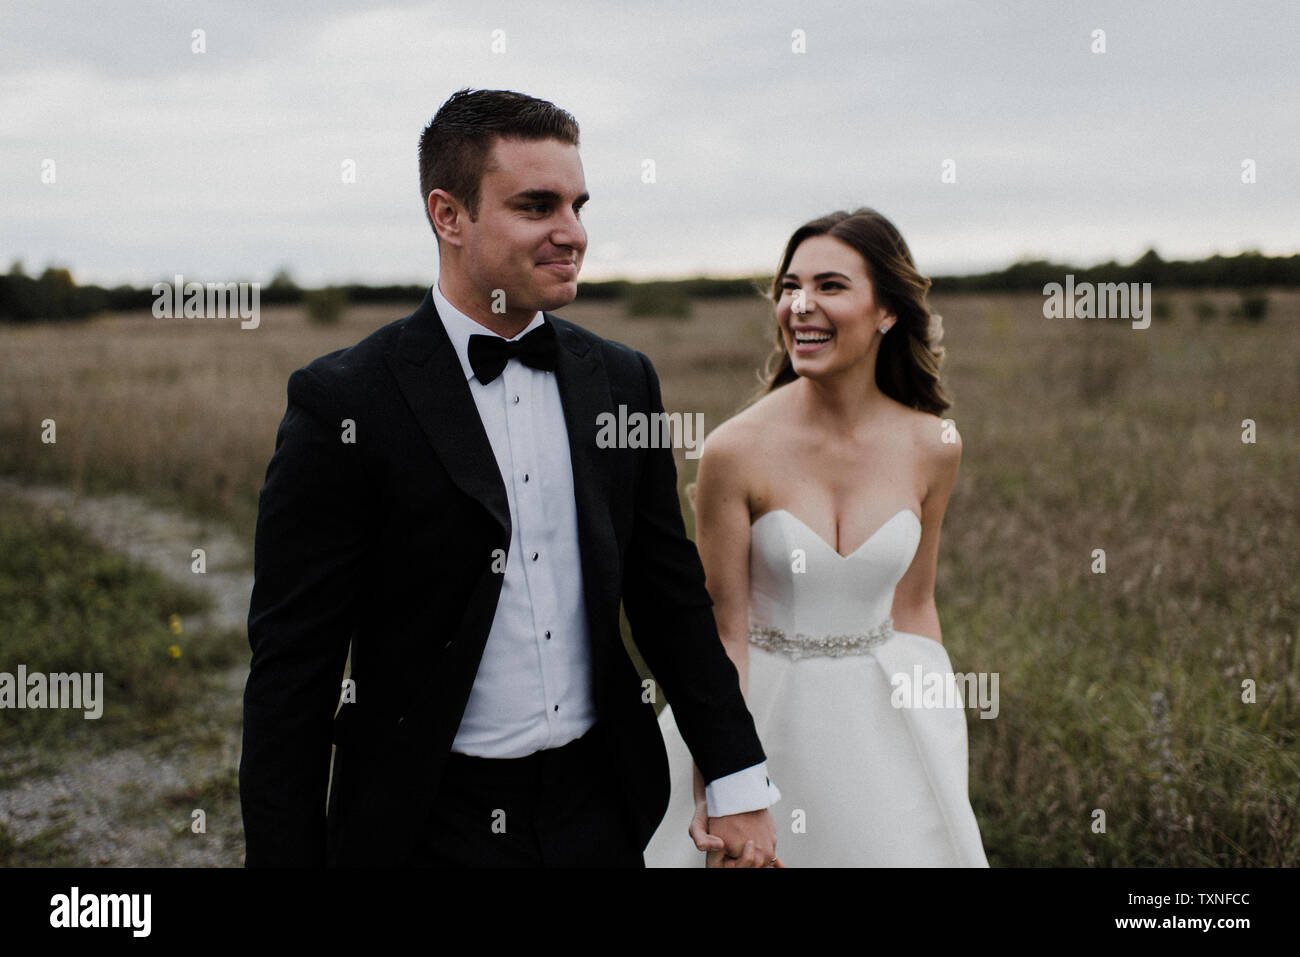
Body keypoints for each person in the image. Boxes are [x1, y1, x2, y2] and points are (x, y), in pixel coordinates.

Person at [239, 88, 780, 867]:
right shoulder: (344, 401)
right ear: (448, 215)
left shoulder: (623, 381)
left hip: (601, 804)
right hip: (427, 820)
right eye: (537, 206)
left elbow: (669, 599)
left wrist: (738, 781)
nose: (573, 234)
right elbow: (293, 670)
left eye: (578, 205)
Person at [645, 209, 990, 867]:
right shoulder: (732, 450)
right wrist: (722, 781)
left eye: (830, 286)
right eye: (790, 286)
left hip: (887, 726)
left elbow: (915, 606)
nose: (801, 305)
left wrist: (938, 736)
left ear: (887, 309)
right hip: (762, 721)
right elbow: (724, 633)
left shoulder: (934, 445)